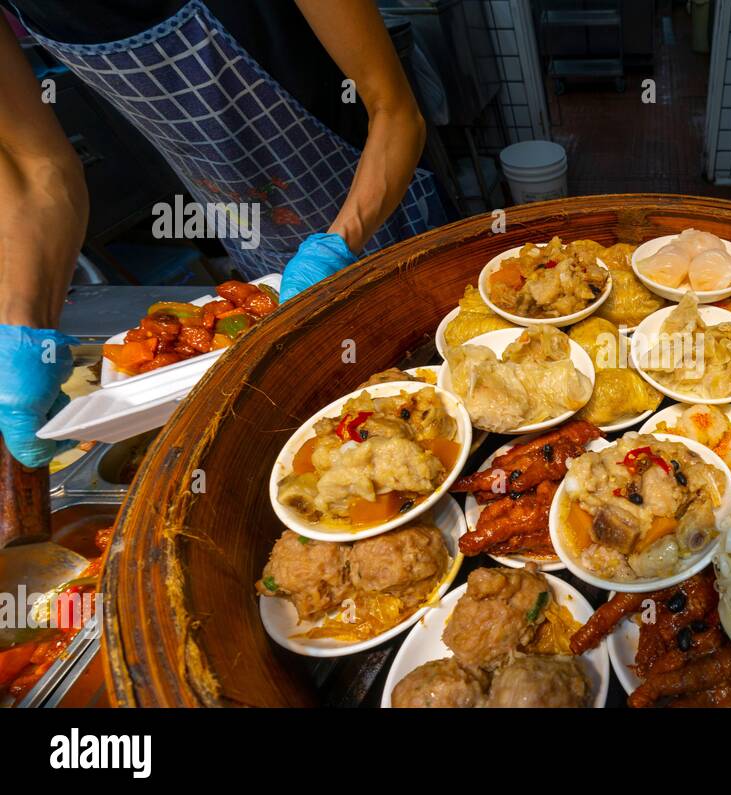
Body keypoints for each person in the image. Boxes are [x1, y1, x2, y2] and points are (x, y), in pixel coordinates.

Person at [0, 0, 446, 468]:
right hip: (244, 224)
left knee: (421, 393)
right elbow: (37, 168)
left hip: (371, 195)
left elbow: (395, 111)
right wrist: (21, 327)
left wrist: (337, 243)